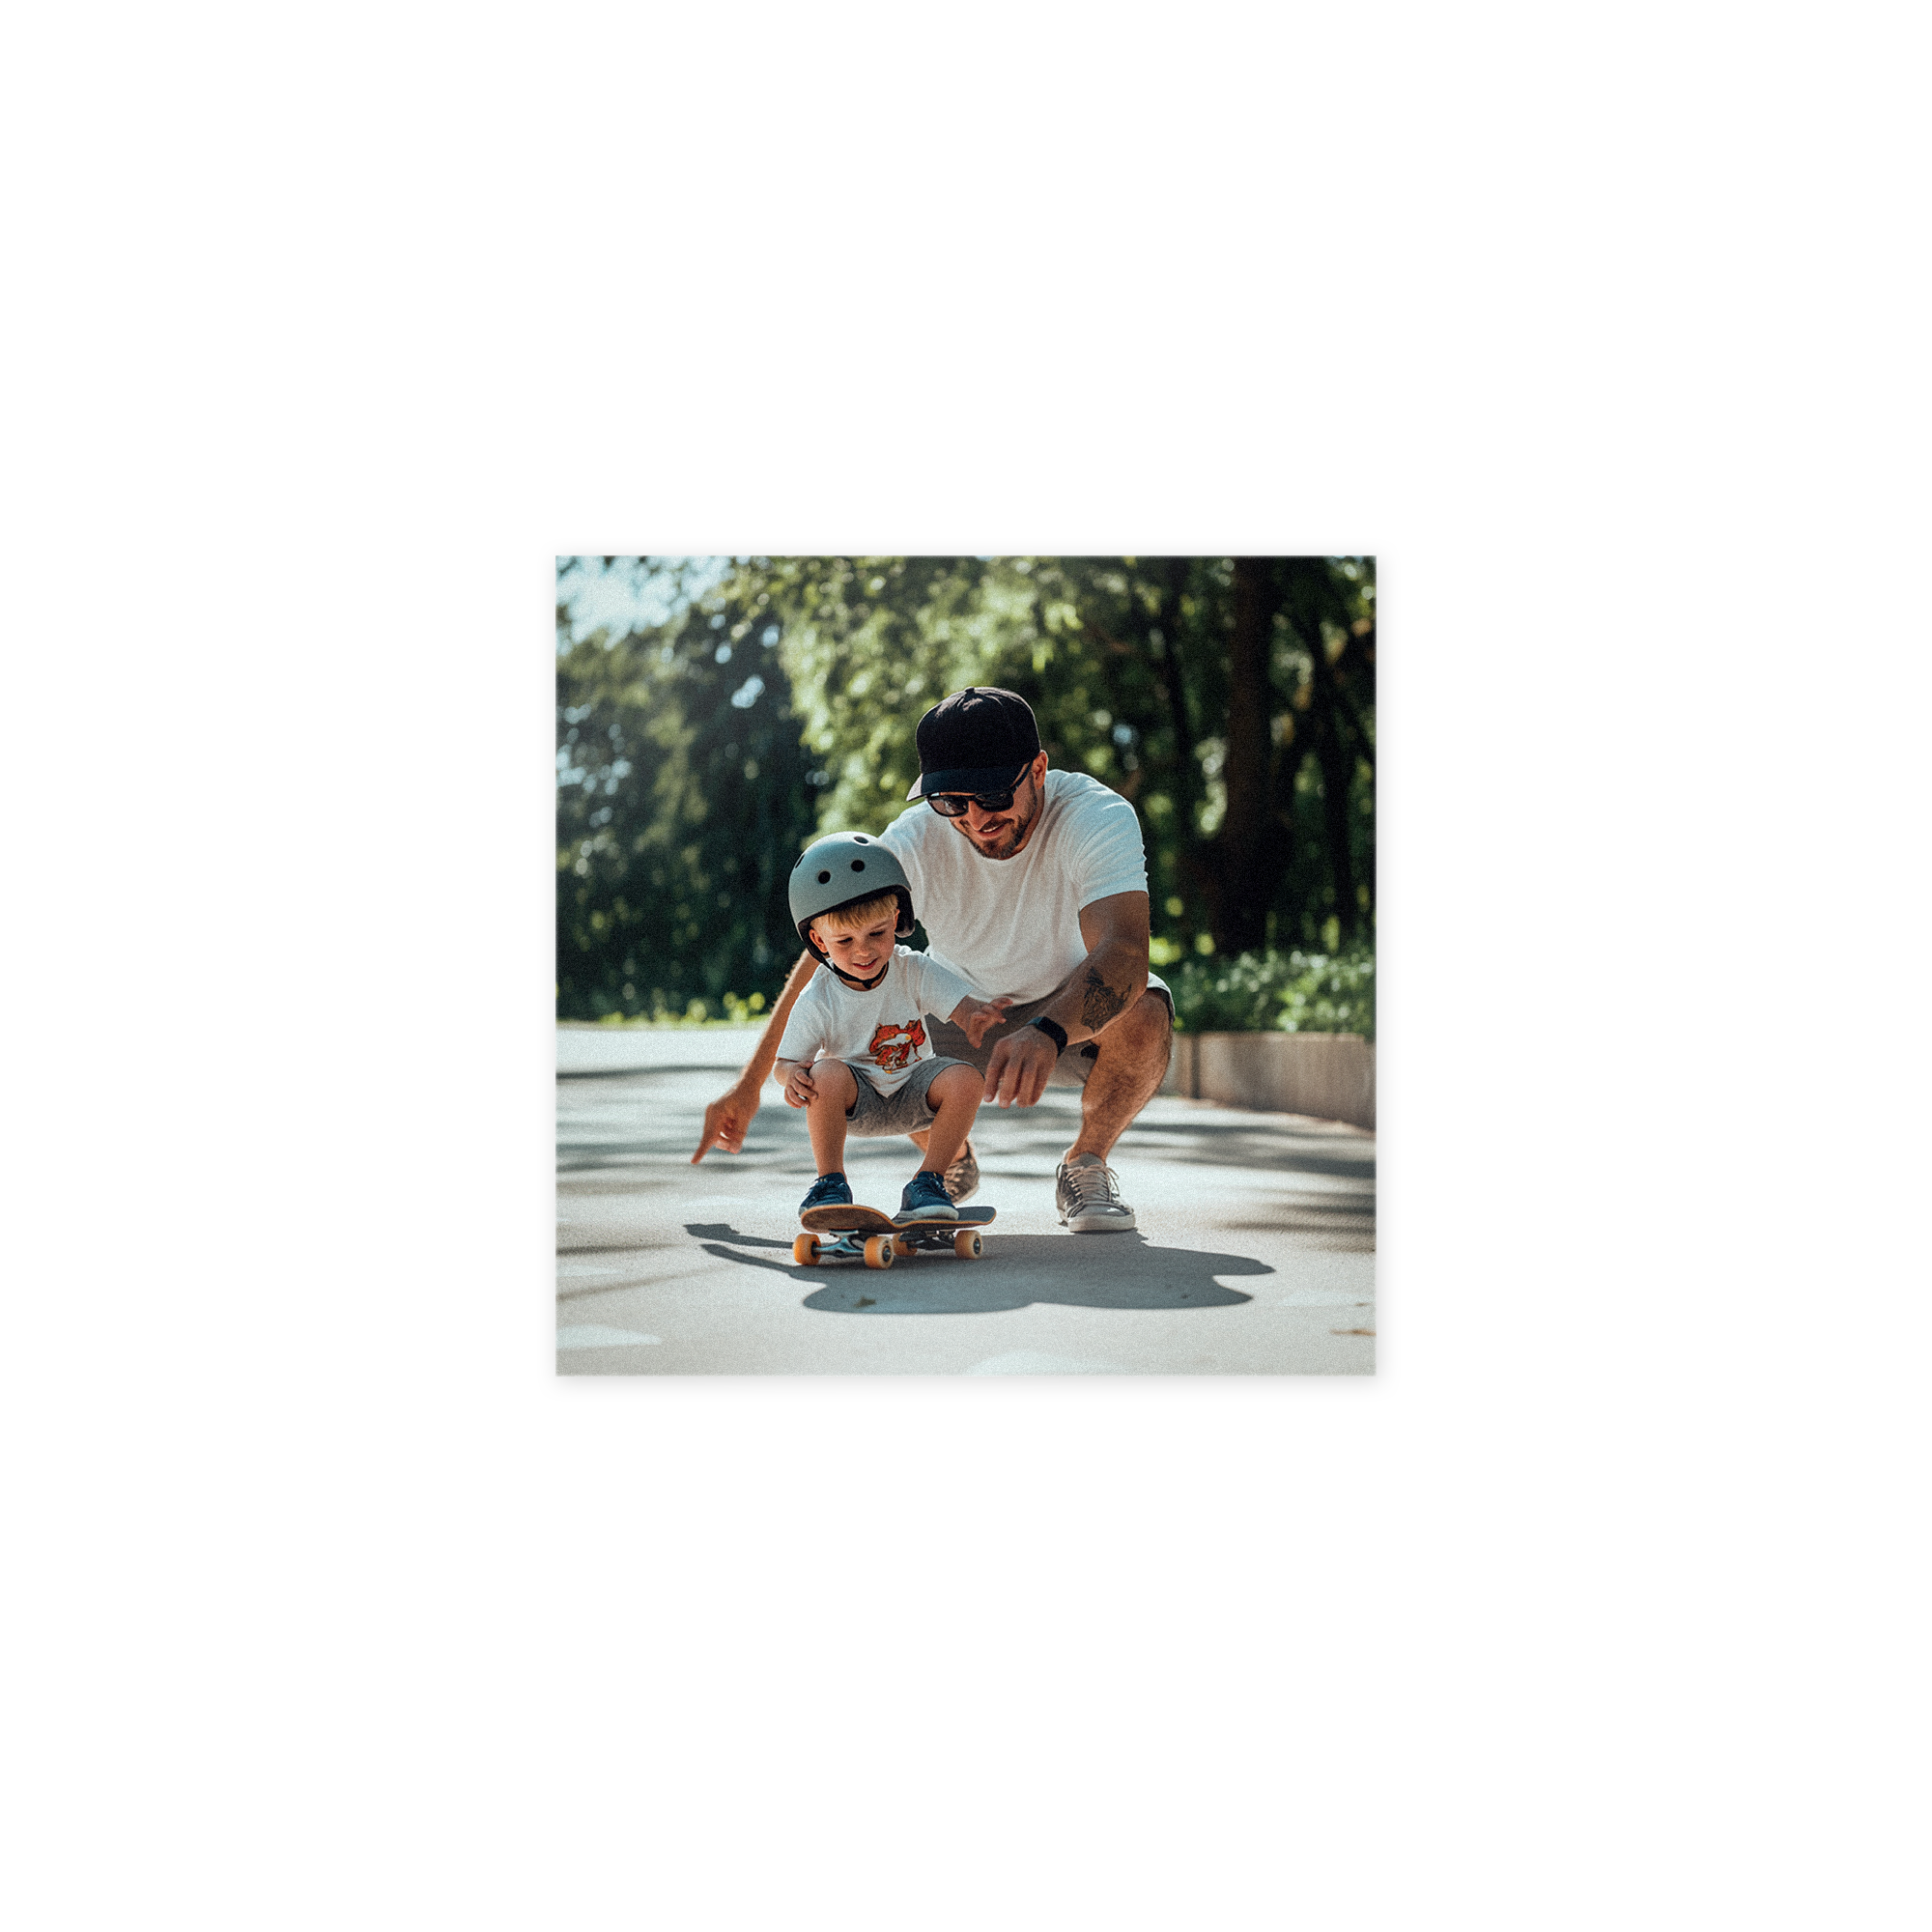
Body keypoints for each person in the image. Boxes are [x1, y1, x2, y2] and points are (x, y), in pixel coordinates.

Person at [694, 687, 1173, 1234]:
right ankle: (947, 1163)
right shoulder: (914, 841)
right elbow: (827, 959)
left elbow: (1126, 952)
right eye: (950, 801)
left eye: (993, 795)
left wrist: (1047, 1029)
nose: (974, 818)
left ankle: (1085, 1163)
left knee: (1145, 1010)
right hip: (954, 1011)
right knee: (860, 1013)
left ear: (1038, 769)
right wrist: (750, 1085)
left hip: (1069, 1013)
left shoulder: (1094, 816)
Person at [775, 832, 1008, 1222]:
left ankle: (928, 1182)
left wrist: (975, 1015)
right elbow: (785, 1063)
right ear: (819, 940)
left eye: (876, 934)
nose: (863, 951)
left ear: (896, 920)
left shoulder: (911, 969)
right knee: (825, 1071)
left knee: (966, 1079)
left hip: (915, 1090)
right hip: (857, 1099)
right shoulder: (819, 997)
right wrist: (792, 1077)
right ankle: (830, 1183)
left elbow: (958, 1005)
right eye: (844, 940)